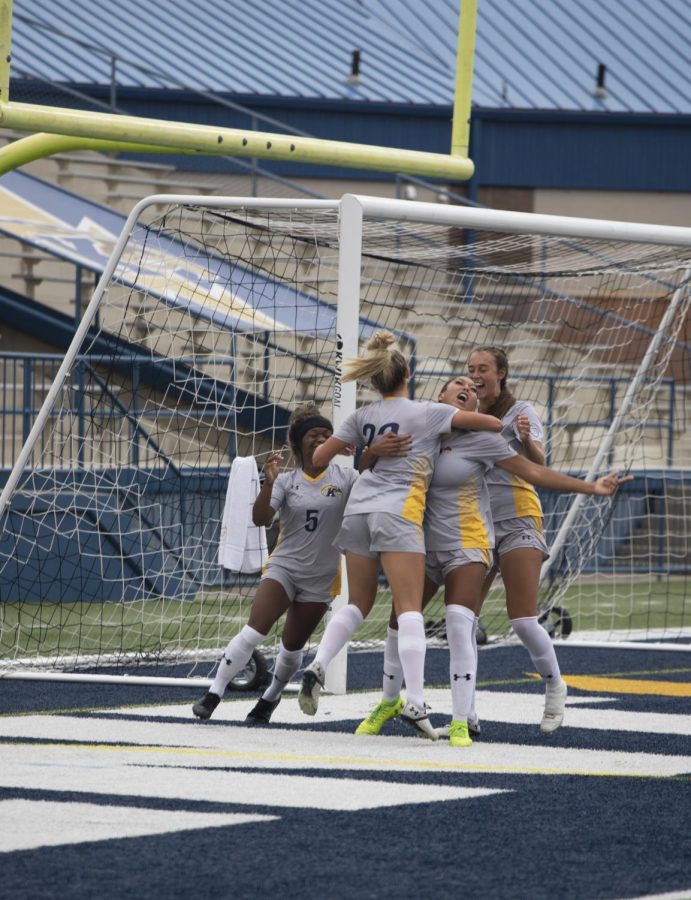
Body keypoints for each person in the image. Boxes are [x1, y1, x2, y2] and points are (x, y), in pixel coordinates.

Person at [356, 373, 630, 746]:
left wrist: (592, 487)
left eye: (473, 384)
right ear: (440, 395)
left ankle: (462, 720)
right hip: (423, 545)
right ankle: (390, 702)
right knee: (400, 621)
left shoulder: (485, 438)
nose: (467, 386)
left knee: (469, 621)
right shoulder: (421, 431)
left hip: (471, 543)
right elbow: (367, 469)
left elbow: (534, 470)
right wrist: (373, 451)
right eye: (458, 382)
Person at [296, 331, 502, 740]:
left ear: (374, 381)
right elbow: (492, 423)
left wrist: (371, 450)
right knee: (409, 610)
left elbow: (317, 459)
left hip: (357, 510)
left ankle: (318, 663)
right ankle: (417, 700)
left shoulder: (362, 416)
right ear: (408, 372)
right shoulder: (427, 412)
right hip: (399, 512)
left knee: (357, 603)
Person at [192, 403, 358, 725]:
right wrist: (268, 482)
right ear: (299, 442)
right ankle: (214, 692)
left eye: (328, 434)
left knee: (291, 647)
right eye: (315, 434)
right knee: (255, 630)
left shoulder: (347, 477)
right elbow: (260, 518)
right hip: (284, 568)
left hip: (322, 577)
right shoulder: (286, 480)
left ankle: (269, 699)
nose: (322, 439)